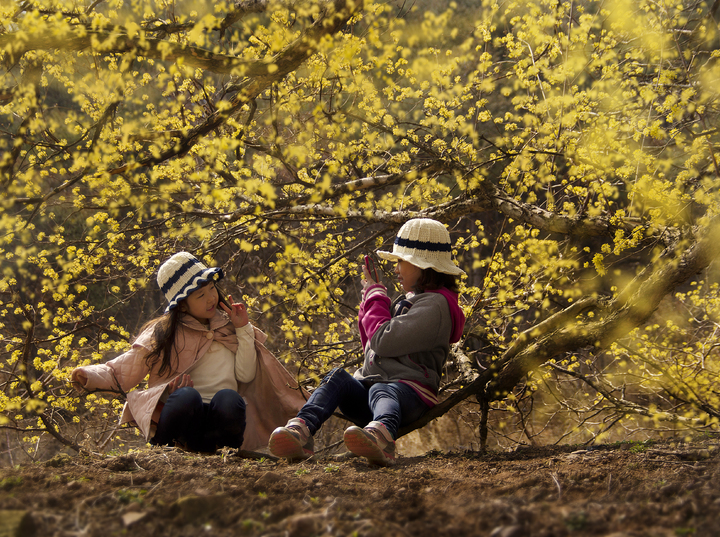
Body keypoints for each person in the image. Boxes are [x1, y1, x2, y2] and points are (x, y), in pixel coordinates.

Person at [268, 218, 466, 465]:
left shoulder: (435, 306)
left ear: (422, 265)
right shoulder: (413, 301)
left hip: (409, 395)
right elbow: (372, 349)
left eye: (401, 261)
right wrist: (369, 302)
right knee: (337, 377)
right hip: (376, 390)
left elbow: (383, 341)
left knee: (383, 389)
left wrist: (376, 300)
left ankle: (382, 435)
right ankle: (301, 429)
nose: (396, 269)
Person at [71, 252, 307, 453]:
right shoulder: (164, 333)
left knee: (230, 398)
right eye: (200, 295)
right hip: (183, 419)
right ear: (182, 304)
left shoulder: (228, 326)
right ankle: (167, 451)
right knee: (187, 396)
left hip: (218, 423)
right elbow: (123, 367)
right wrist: (89, 375)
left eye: (212, 288)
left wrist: (242, 329)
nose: (211, 298)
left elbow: (245, 376)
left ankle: (226, 453)